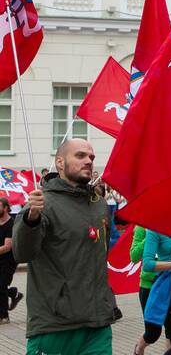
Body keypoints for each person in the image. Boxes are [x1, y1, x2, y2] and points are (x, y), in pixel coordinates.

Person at [13, 139, 117, 355]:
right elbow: (22, 252)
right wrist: (31, 219)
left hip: (97, 324)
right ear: (60, 162)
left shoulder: (99, 204)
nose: (88, 161)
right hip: (55, 324)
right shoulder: (42, 203)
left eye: (91, 157)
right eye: (80, 156)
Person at [134, 225, 171, 354]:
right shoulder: (145, 228)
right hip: (153, 287)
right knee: (152, 333)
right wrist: (148, 239)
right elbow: (135, 257)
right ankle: (139, 348)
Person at [0, 197, 22, 324]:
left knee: (1, 286)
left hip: (8, 260)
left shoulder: (11, 224)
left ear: (6, 208)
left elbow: (7, 247)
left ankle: (4, 316)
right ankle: (14, 293)